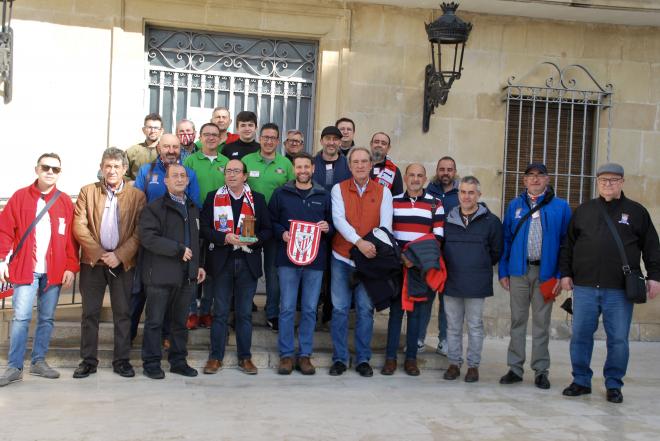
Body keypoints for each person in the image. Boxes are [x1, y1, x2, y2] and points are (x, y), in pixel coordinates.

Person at [559, 163, 660, 404]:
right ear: (597, 182)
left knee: (618, 340)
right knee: (581, 336)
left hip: (619, 290)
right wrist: (565, 273)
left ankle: (614, 384)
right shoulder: (583, 210)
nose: (608, 184)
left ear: (622, 182)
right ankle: (581, 380)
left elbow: (652, 247)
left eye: (613, 180)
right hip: (583, 287)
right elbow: (568, 245)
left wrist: (655, 276)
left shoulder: (637, 212)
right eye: (603, 179)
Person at [0, 154, 79, 387]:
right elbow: (5, 230)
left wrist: (71, 267)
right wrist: (2, 260)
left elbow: (71, 240)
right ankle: (14, 366)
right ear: (37, 169)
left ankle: (38, 361)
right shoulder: (20, 197)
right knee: (21, 317)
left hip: (53, 272)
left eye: (55, 169)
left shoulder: (64, 201)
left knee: (46, 319)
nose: (50, 172)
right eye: (46, 167)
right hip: (26, 269)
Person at [71, 148, 146, 379]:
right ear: (102, 168)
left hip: (122, 264)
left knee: (123, 314)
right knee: (89, 313)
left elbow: (139, 231)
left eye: (117, 166)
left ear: (125, 169)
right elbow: (79, 226)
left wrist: (120, 255)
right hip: (93, 263)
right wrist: (100, 253)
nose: (112, 171)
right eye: (108, 166)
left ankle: (122, 361)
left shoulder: (137, 196)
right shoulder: (87, 191)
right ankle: (88, 361)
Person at [498, 163, 571, 390]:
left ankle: (541, 370)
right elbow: (506, 239)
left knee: (541, 322)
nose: (535, 179)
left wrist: (561, 274)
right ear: (524, 180)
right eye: (530, 176)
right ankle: (515, 368)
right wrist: (503, 270)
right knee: (518, 320)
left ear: (547, 179)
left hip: (546, 273)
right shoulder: (514, 206)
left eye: (540, 176)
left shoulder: (561, 207)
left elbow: (567, 243)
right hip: (519, 271)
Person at [200, 159, 272, 375]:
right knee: (220, 312)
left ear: (245, 176)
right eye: (228, 170)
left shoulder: (257, 200)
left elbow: (267, 230)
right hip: (222, 261)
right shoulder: (214, 197)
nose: (231, 174)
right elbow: (203, 228)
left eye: (236, 171)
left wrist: (255, 240)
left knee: (244, 314)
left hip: (247, 262)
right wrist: (224, 237)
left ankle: (245, 358)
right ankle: (215, 357)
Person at [131, 133, 201, 346]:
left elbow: (194, 205)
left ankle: (166, 337)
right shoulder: (146, 170)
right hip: (152, 241)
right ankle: (130, 336)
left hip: (179, 244)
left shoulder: (188, 173)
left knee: (175, 298)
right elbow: (135, 203)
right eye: (167, 147)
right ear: (158, 148)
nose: (171, 150)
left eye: (175, 147)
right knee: (140, 294)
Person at [329, 146, 393, 377]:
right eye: (355, 162)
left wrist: (370, 248)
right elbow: (338, 220)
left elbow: (385, 227)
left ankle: (363, 359)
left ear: (371, 164)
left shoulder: (383, 192)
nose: (360, 165)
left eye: (364, 161)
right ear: (349, 166)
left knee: (366, 310)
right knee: (339, 309)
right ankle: (339, 359)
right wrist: (359, 243)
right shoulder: (338, 189)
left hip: (370, 260)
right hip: (342, 257)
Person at [139, 164, 206, 379]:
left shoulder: (193, 207)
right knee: (155, 322)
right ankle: (151, 363)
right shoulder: (154, 208)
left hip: (186, 276)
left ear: (188, 181)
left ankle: (178, 361)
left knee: (180, 323)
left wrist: (199, 265)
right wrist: (177, 250)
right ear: (165, 181)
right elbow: (148, 238)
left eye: (183, 176)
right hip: (160, 275)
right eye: (174, 176)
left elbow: (197, 241)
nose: (179, 179)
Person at [269, 152, 333, 375]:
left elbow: (333, 224)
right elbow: (271, 221)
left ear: (313, 169)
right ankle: (286, 355)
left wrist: (327, 227)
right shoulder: (281, 193)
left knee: (308, 309)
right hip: (287, 259)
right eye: (299, 167)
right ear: (293, 169)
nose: (303, 170)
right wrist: (282, 233)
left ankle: (305, 354)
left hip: (315, 261)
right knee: (286, 308)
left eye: (307, 166)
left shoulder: (324, 195)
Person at [382, 163, 444, 377]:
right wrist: (402, 257)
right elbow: (387, 233)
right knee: (396, 313)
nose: (415, 179)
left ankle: (411, 359)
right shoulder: (393, 201)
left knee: (416, 314)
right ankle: (390, 358)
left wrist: (414, 259)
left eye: (419, 175)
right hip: (398, 266)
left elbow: (438, 238)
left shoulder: (436, 204)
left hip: (420, 268)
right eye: (411, 175)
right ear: (405, 177)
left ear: (425, 179)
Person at [442, 176, 503, 383]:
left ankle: (473, 366)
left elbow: (496, 252)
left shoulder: (491, 222)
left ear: (479, 195)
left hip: (477, 282)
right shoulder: (448, 219)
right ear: (458, 194)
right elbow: (441, 248)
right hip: (451, 281)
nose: (466, 196)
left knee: (475, 325)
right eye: (463, 192)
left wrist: (479, 265)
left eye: (471, 192)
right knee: (453, 326)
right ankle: (453, 363)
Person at [242, 123, 295, 331]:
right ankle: (244, 310)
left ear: (278, 141)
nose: (269, 141)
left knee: (273, 272)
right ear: (260, 138)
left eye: (273, 137)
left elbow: (292, 193)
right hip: (249, 224)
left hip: (274, 225)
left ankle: (272, 313)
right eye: (265, 137)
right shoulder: (247, 161)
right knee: (248, 268)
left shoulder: (285, 164)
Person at [183, 122, 229, 329]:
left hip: (219, 221)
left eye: (215, 134)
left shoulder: (226, 162)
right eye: (206, 134)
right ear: (200, 137)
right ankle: (192, 311)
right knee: (193, 266)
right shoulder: (191, 160)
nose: (211, 138)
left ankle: (206, 311)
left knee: (212, 268)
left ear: (220, 138)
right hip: (195, 218)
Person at [421, 156, 460, 356]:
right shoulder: (429, 192)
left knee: (448, 302)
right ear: (437, 170)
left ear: (455, 171)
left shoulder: (461, 194)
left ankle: (444, 340)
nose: (446, 173)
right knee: (425, 298)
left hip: (452, 254)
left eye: (449, 169)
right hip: (431, 253)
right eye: (442, 169)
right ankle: (419, 338)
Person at [125, 113, 163, 181]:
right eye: (149, 127)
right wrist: (131, 183)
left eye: (156, 128)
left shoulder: (167, 151)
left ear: (161, 131)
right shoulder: (132, 151)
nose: (153, 131)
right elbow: (122, 174)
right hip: (137, 190)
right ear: (143, 130)